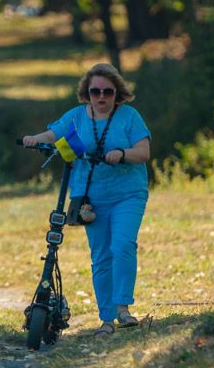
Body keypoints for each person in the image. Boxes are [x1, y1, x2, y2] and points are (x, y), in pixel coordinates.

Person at [22, 63, 151, 337]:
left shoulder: (129, 116)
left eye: (108, 91)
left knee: (123, 245)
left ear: (117, 92)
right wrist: (35, 139)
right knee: (101, 256)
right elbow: (54, 134)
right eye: (96, 92)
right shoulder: (77, 116)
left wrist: (123, 153)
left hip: (128, 194)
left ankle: (123, 308)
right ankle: (106, 320)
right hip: (90, 199)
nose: (101, 97)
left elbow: (143, 151)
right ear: (87, 93)